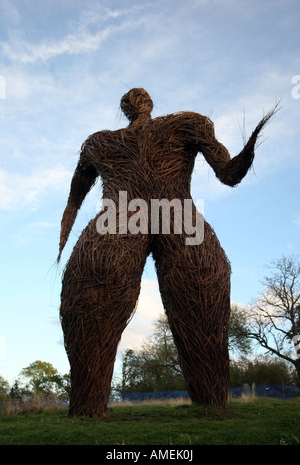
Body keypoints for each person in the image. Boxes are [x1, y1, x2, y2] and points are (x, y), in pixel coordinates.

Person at [58, 88, 276, 417]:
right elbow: (229, 174)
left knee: (90, 293)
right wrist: (250, 146)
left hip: (118, 218)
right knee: (203, 293)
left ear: (125, 110)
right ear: (149, 105)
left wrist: (62, 244)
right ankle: (212, 404)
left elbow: (73, 203)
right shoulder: (187, 124)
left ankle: (87, 408)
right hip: (177, 214)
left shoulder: (99, 143)